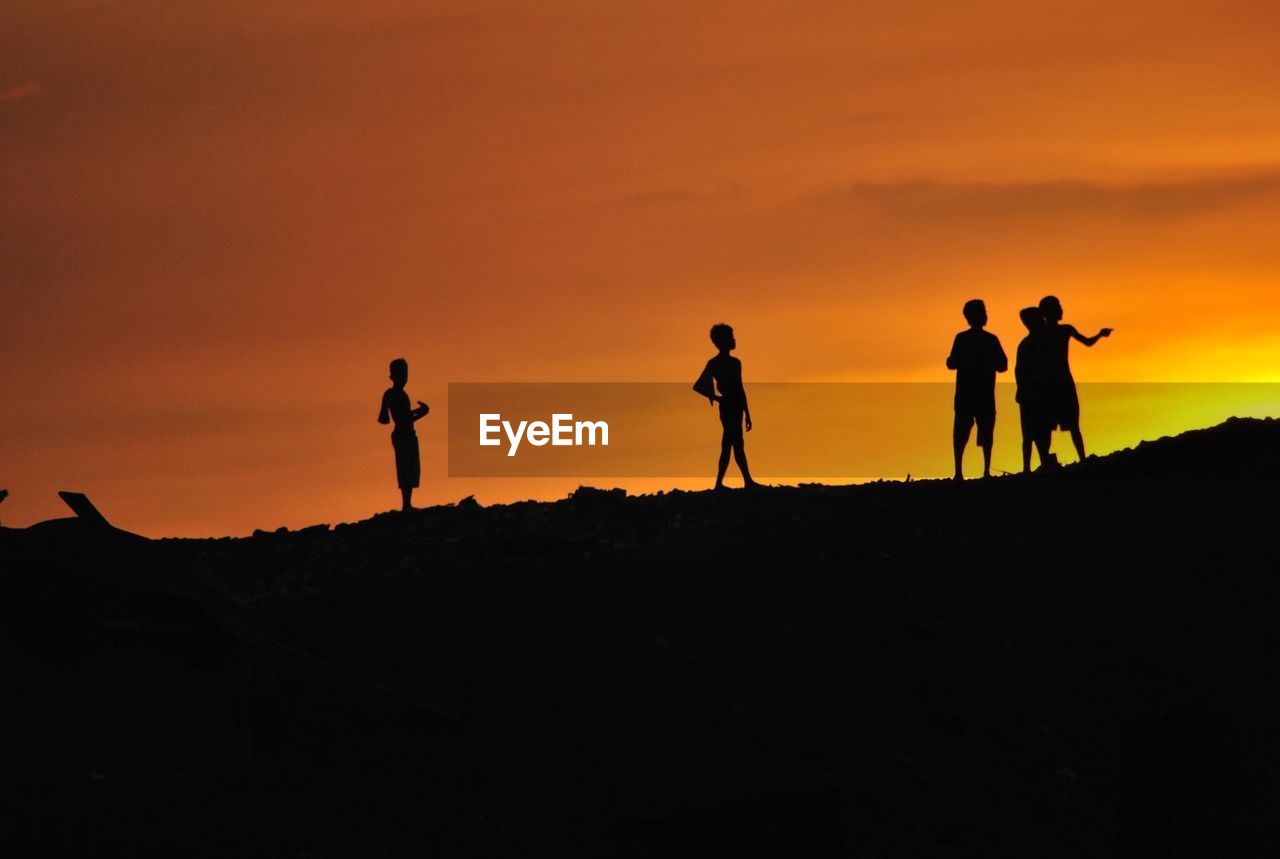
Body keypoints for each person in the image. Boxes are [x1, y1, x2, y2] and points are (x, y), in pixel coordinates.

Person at [1037, 295, 1113, 462]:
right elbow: (1088, 342)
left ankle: (1048, 460)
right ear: (1051, 311)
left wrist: (1100, 334)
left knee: (1050, 425)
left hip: (1050, 383)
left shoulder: (1042, 333)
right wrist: (1100, 334)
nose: (1061, 309)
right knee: (1069, 424)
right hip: (1061, 382)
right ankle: (1081, 459)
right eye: (1058, 307)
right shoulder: (1064, 330)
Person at [946, 299, 1008, 480]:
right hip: (984, 394)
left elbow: (951, 363)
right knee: (986, 431)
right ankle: (986, 471)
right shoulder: (991, 339)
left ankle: (959, 471)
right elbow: (1003, 365)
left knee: (961, 433)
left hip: (966, 394)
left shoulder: (962, 338)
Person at [694, 323, 760, 490]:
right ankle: (744, 481)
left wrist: (747, 413)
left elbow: (740, 388)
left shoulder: (734, 362)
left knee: (731, 443)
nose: (734, 339)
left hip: (734, 405)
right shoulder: (716, 363)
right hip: (729, 406)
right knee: (734, 442)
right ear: (723, 340)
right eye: (731, 336)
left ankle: (733, 482)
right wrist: (717, 398)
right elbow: (699, 386)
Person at [377, 358, 430, 512]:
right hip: (403, 433)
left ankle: (407, 503)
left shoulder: (394, 394)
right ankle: (406, 504)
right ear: (393, 376)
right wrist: (421, 413)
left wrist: (417, 412)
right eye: (402, 373)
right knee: (406, 466)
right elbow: (402, 418)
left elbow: (388, 418)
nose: (405, 376)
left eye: (406, 373)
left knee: (410, 466)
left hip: (404, 433)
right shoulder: (393, 394)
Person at [1014, 306, 1055, 473]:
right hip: (1033, 393)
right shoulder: (1030, 344)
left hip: (1033, 392)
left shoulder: (1027, 344)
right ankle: (1032, 465)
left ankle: (1036, 464)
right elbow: (1020, 370)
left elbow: (1019, 371)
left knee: (1037, 431)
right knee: (1035, 431)